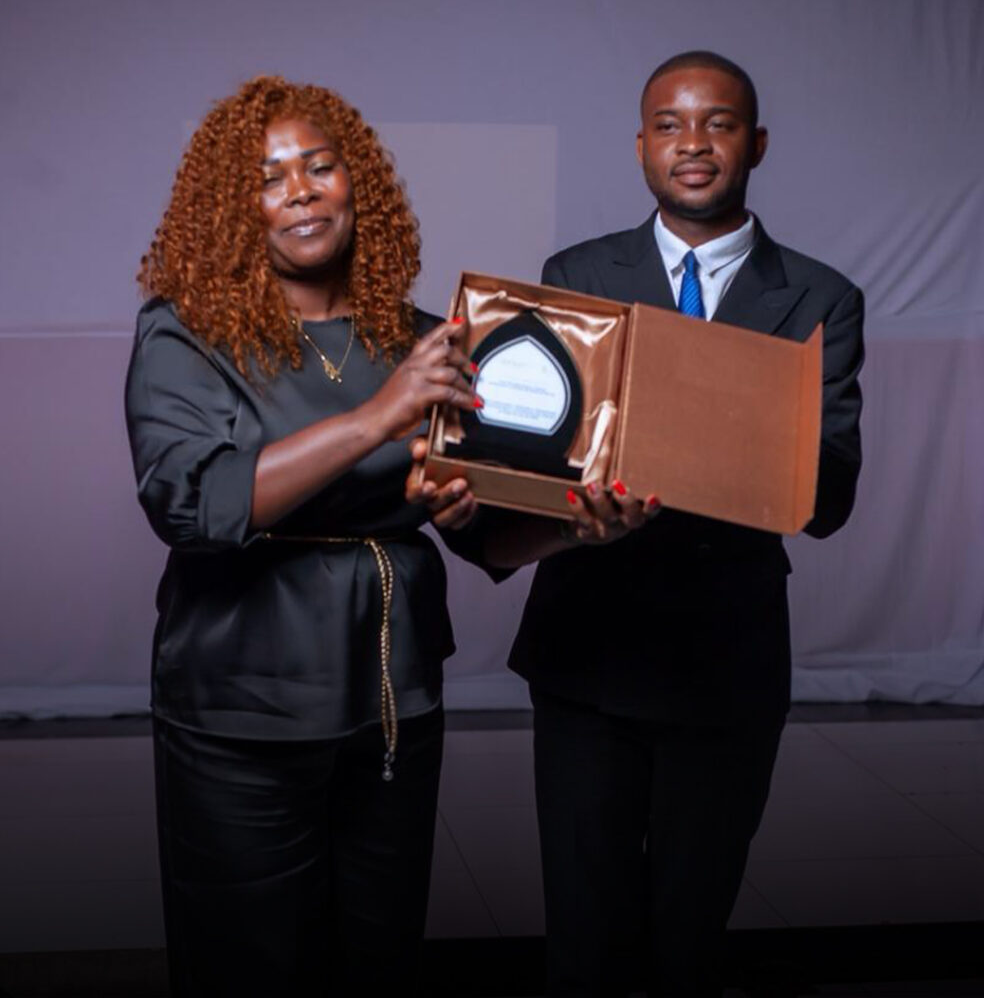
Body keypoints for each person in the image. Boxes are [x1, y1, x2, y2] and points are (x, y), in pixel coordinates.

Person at [464, 51, 865, 996]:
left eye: (717, 124)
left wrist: (720, 429)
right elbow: (541, 453)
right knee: (584, 940)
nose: (693, 144)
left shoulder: (821, 297)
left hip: (727, 666)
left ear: (755, 144)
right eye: (670, 125)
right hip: (586, 658)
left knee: (688, 943)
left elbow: (831, 498)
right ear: (642, 145)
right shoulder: (577, 275)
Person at [125, 76, 489, 997]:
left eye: (320, 167)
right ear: (233, 208)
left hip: (395, 704)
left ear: (357, 183)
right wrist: (376, 419)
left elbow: (485, 529)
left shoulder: (417, 339)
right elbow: (192, 503)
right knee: (251, 969)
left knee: (379, 964)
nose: (300, 190)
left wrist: (571, 525)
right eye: (269, 177)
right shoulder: (187, 334)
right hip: (240, 712)